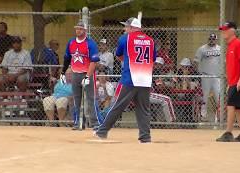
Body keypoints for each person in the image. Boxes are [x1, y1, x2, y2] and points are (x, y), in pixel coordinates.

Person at [95, 13, 157, 143]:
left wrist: (128, 61)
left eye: (127, 27)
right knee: (143, 109)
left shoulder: (125, 38)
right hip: (145, 79)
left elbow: (118, 55)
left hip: (130, 78)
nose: (125, 29)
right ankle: (145, 137)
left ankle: (102, 131)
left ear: (132, 27)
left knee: (117, 105)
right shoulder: (150, 40)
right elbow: (153, 60)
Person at [60, 20, 101, 130]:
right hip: (75, 73)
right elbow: (67, 58)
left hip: (87, 73)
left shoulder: (90, 43)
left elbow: (94, 61)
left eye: (80, 29)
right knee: (75, 99)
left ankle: (95, 123)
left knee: (91, 99)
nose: (78, 30)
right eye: (77, 28)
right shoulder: (71, 42)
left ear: (85, 30)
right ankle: (78, 122)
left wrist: (88, 76)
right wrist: (63, 72)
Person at [216, 22, 240, 142]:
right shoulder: (230, 45)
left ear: (232, 31)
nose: (223, 32)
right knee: (238, 108)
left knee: (231, 106)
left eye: (225, 29)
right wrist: (230, 83)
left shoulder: (238, 44)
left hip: (239, 82)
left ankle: (228, 133)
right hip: (234, 82)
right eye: (222, 30)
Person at [194, 33, 221, 118]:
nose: (211, 40)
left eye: (213, 39)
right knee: (204, 96)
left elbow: (224, 62)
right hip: (205, 75)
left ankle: (219, 115)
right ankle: (203, 115)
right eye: (210, 39)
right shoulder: (202, 49)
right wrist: (198, 72)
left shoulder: (220, 48)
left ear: (216, 39)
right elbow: (196, 62)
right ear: (208, 39)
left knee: (219, 96)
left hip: (217, 76)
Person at [0, 36, 33, 100]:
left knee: (21, 79)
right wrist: (5, 75)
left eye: (18, 43)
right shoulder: (8, 53)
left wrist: (14, 76)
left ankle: (22, 98)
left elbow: (25, 69)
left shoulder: (26, 53)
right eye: (14, 43)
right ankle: (5, 98)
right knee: (0, 80)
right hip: (9, 74)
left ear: (21, 44)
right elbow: (4, 67)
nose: (16, 44)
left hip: (22, 74)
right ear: (12, 44)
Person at [150, 57, 176, 122]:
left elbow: (174, 83)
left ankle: (161, 121)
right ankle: (172, 122)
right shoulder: (154, 72)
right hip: (146, 93)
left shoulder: (160, 73)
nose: (157, 66)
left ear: (162, 66)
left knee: (166, 99)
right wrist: (168, 86)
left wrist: (165, 83)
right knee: (167, 100)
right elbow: (160, 87)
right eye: (156, 64)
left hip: (150, 92)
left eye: (159, 64)